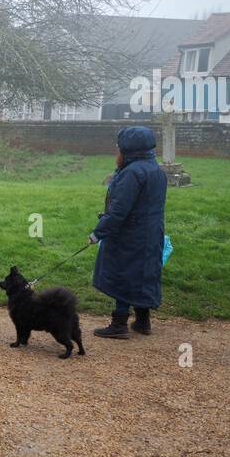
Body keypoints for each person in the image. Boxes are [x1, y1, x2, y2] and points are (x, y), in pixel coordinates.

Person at [90, 124, 168, 337]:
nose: (117, 152)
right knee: (143, 275)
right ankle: (143, 321)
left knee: (123, 274)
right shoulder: (157, 171)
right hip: (152, 233)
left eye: (119, 148)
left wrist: (98, 233)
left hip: (130, 235)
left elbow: (118, 211)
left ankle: (119, 324)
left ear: (127, 150)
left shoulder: (131, 173)